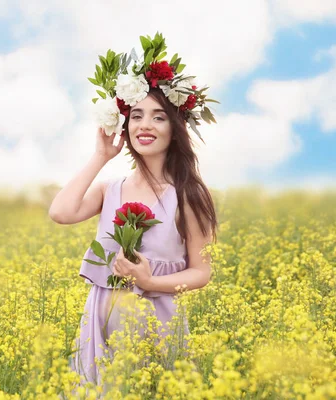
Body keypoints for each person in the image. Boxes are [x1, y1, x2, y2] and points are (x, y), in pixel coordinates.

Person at [48, 33, 218, 386]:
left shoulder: (188, 195)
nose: (145, 125)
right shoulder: (110, 189)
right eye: (136, 115)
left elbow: (201, 272)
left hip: (158, 323)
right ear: (124, 126)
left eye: (159, 117)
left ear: (176, 128)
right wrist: (100, 157)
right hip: (103, 323)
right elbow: (60, 212)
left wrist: (149, 281)